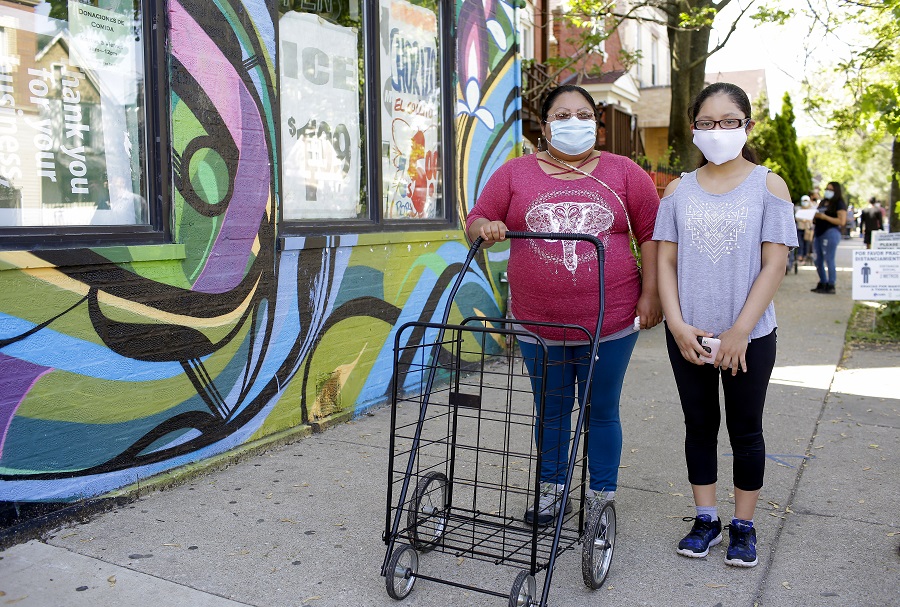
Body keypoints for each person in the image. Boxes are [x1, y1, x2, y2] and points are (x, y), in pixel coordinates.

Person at [466, 84, 663, 525]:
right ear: (544, 125)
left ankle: (600, 496)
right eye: (561, 115)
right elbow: (475, 219)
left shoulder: (625, 172)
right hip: (538, 323)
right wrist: (486, 226)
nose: (573, 123)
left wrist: (651, 295)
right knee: (551, 408)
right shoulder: (514, 173)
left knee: (600, 408)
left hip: (609, 321)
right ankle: (554, 492)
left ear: (597, 123)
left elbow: (652, 234)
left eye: (582, 114)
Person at [653, 82, 798, 568]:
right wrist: (675, 324)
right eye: (707, 123)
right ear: (694, 128)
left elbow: (773, 265)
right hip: (688, 334)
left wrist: (739, 332)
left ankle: (743, 525)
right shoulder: (678, 190)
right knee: (699, 426)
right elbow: (665, 263)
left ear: (747, 126)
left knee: (745, 431)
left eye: (729, 122)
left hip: (749, 337)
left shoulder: (769, 185)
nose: (718, 131)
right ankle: (706, 518)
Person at [811, 182, 847, 294]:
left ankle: (831, 284)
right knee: (817, 259)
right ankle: (823, 282)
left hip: (831, 232)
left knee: (829, 259)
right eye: (827, 188)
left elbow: (842, 221)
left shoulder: (839, 203)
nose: (828, 191)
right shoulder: (823, 202)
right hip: (818, 232)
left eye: (830, 189)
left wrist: (825, 217)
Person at [795, 195, 814, 263]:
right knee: (800, 243)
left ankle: (806, 255)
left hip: (808, 229)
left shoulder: (811, 210)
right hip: (800, 228)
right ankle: (800, 256)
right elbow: (797, 217)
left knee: (807, 243)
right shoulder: (798, 209)